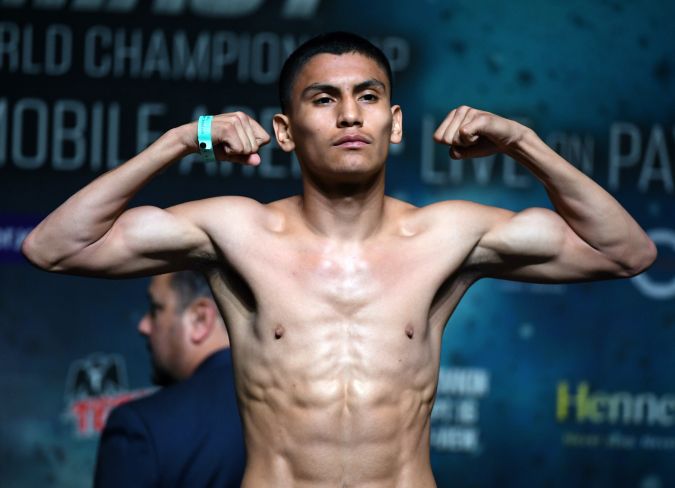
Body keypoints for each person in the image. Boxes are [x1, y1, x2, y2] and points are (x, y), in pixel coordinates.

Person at [23, 32, 656, 487]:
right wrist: (182, 140)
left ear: (394, 122)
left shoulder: (447, 235)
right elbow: (55, 246)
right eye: (324, 99)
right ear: (286, 130)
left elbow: (625, 250)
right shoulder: (237, 231)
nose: (350, 114)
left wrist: (523, 142)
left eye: (368, 96)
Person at [93, 271, 245, 487]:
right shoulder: (287, 404)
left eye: (156, 309)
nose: (143, 325)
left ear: (200, 319)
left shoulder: (140, 427)